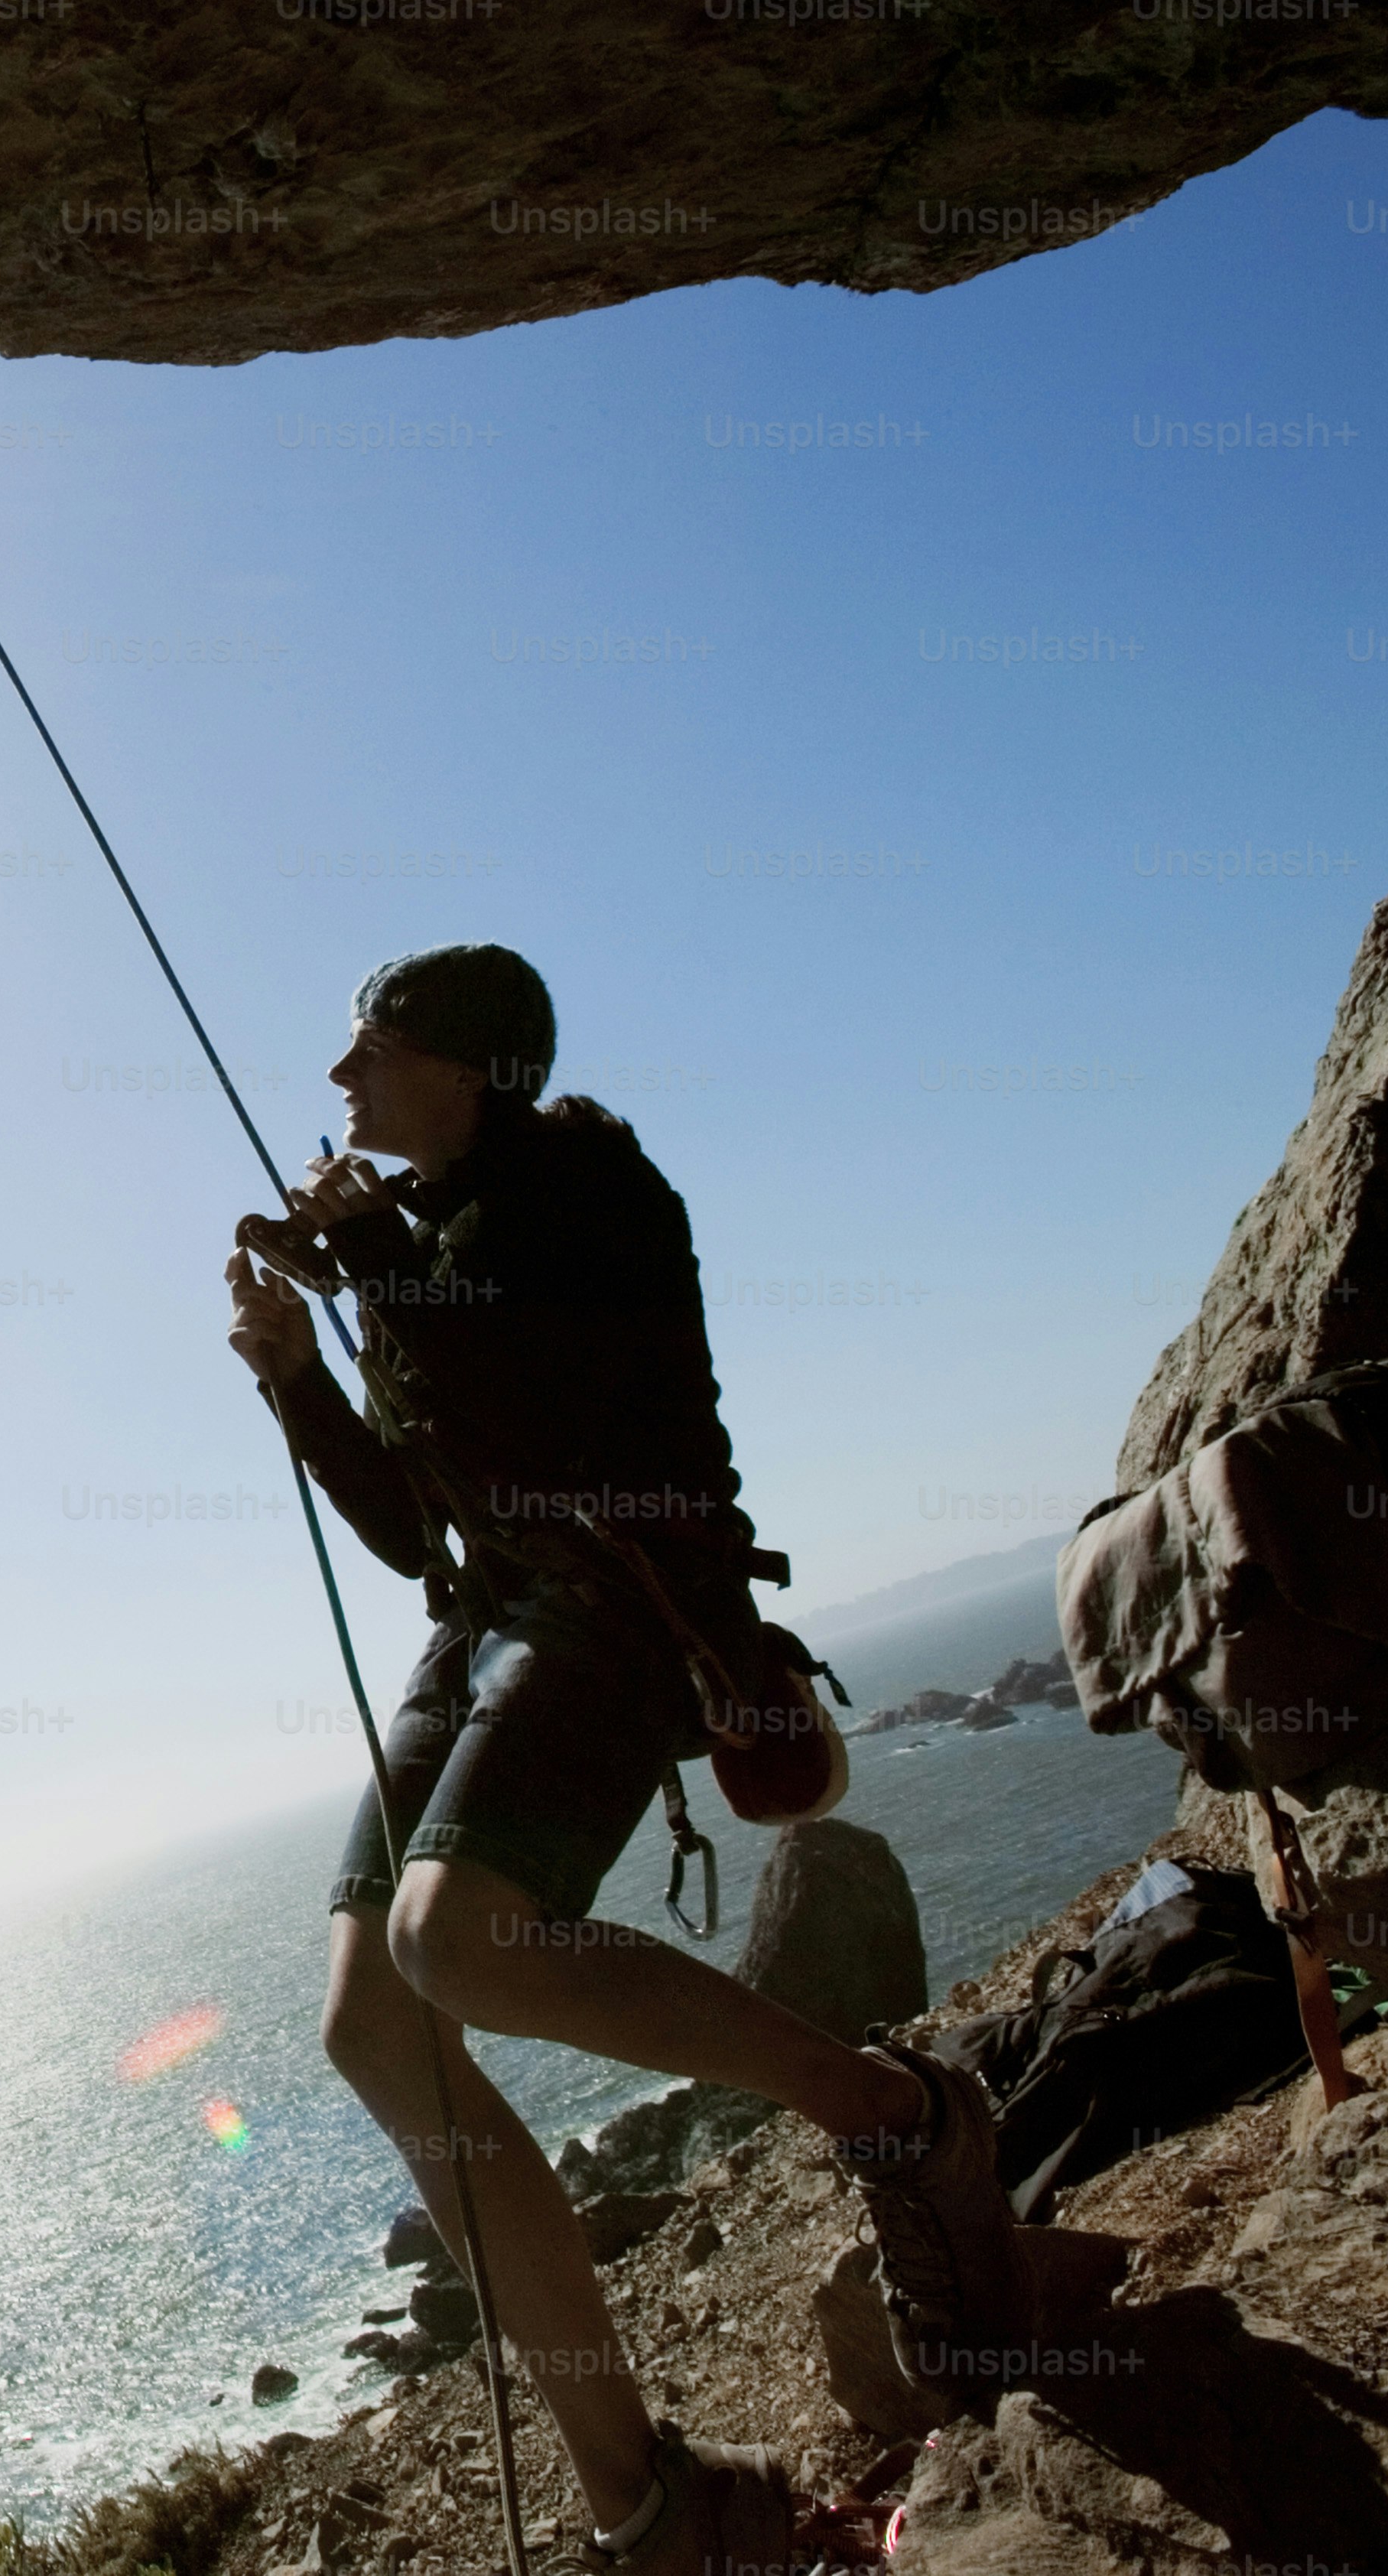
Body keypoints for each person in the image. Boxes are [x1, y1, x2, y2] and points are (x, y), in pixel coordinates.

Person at [220, 945, 1029, 2576]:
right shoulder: (424, 1236)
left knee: (451, 1941)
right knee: (372, 2018)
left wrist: (364, 1255)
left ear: (467, 1066)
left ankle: (888, 2109)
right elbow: (403, 1522)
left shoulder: (580, 1180)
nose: (336, 1081)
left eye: (365, 1044)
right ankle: (650, 2502)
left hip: (615, 1597)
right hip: (488, 1615)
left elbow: (531, 1384)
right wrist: (301, 1378)